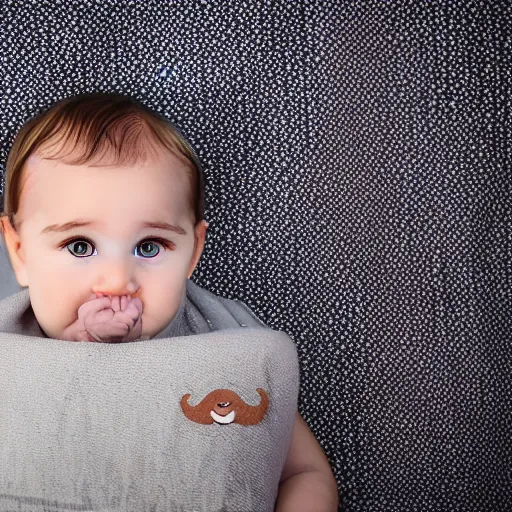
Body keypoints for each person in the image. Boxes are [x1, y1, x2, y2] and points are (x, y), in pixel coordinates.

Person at [0, 91, 339, 510]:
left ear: (192, 252)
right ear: (19, 253)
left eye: (149, 247)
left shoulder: (222, 341)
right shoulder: (8, 346)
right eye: (80, 246)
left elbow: (304, 472)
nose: (118, 281)